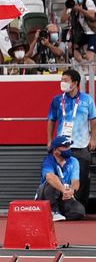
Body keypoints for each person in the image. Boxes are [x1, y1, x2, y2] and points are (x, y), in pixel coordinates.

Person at [47, 68, 96, 210]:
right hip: (61, 147)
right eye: (61, 80)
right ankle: (61, 207)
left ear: (74, 83)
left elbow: (93, 120)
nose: (62, 83)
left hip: (81, 145)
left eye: (65, 80)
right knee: (60, 176)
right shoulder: (57, 100)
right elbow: (51, 120)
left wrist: (93, 139)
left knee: (81, 178)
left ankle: (79, 208)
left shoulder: (87, 100)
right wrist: (50, 140)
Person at [37, 136, 86, 221]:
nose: (68, 149)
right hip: (47, 195)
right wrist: (64, 190)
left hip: (63, 196)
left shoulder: (74, 161)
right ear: (55, 150)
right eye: (65, 147)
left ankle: (59, 212)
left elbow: (75, 181)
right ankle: (53, 211)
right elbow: (50, 177)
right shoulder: (48, 161)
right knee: (54, 181)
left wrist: (71, 191)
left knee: (79, 212)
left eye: (69, 146)